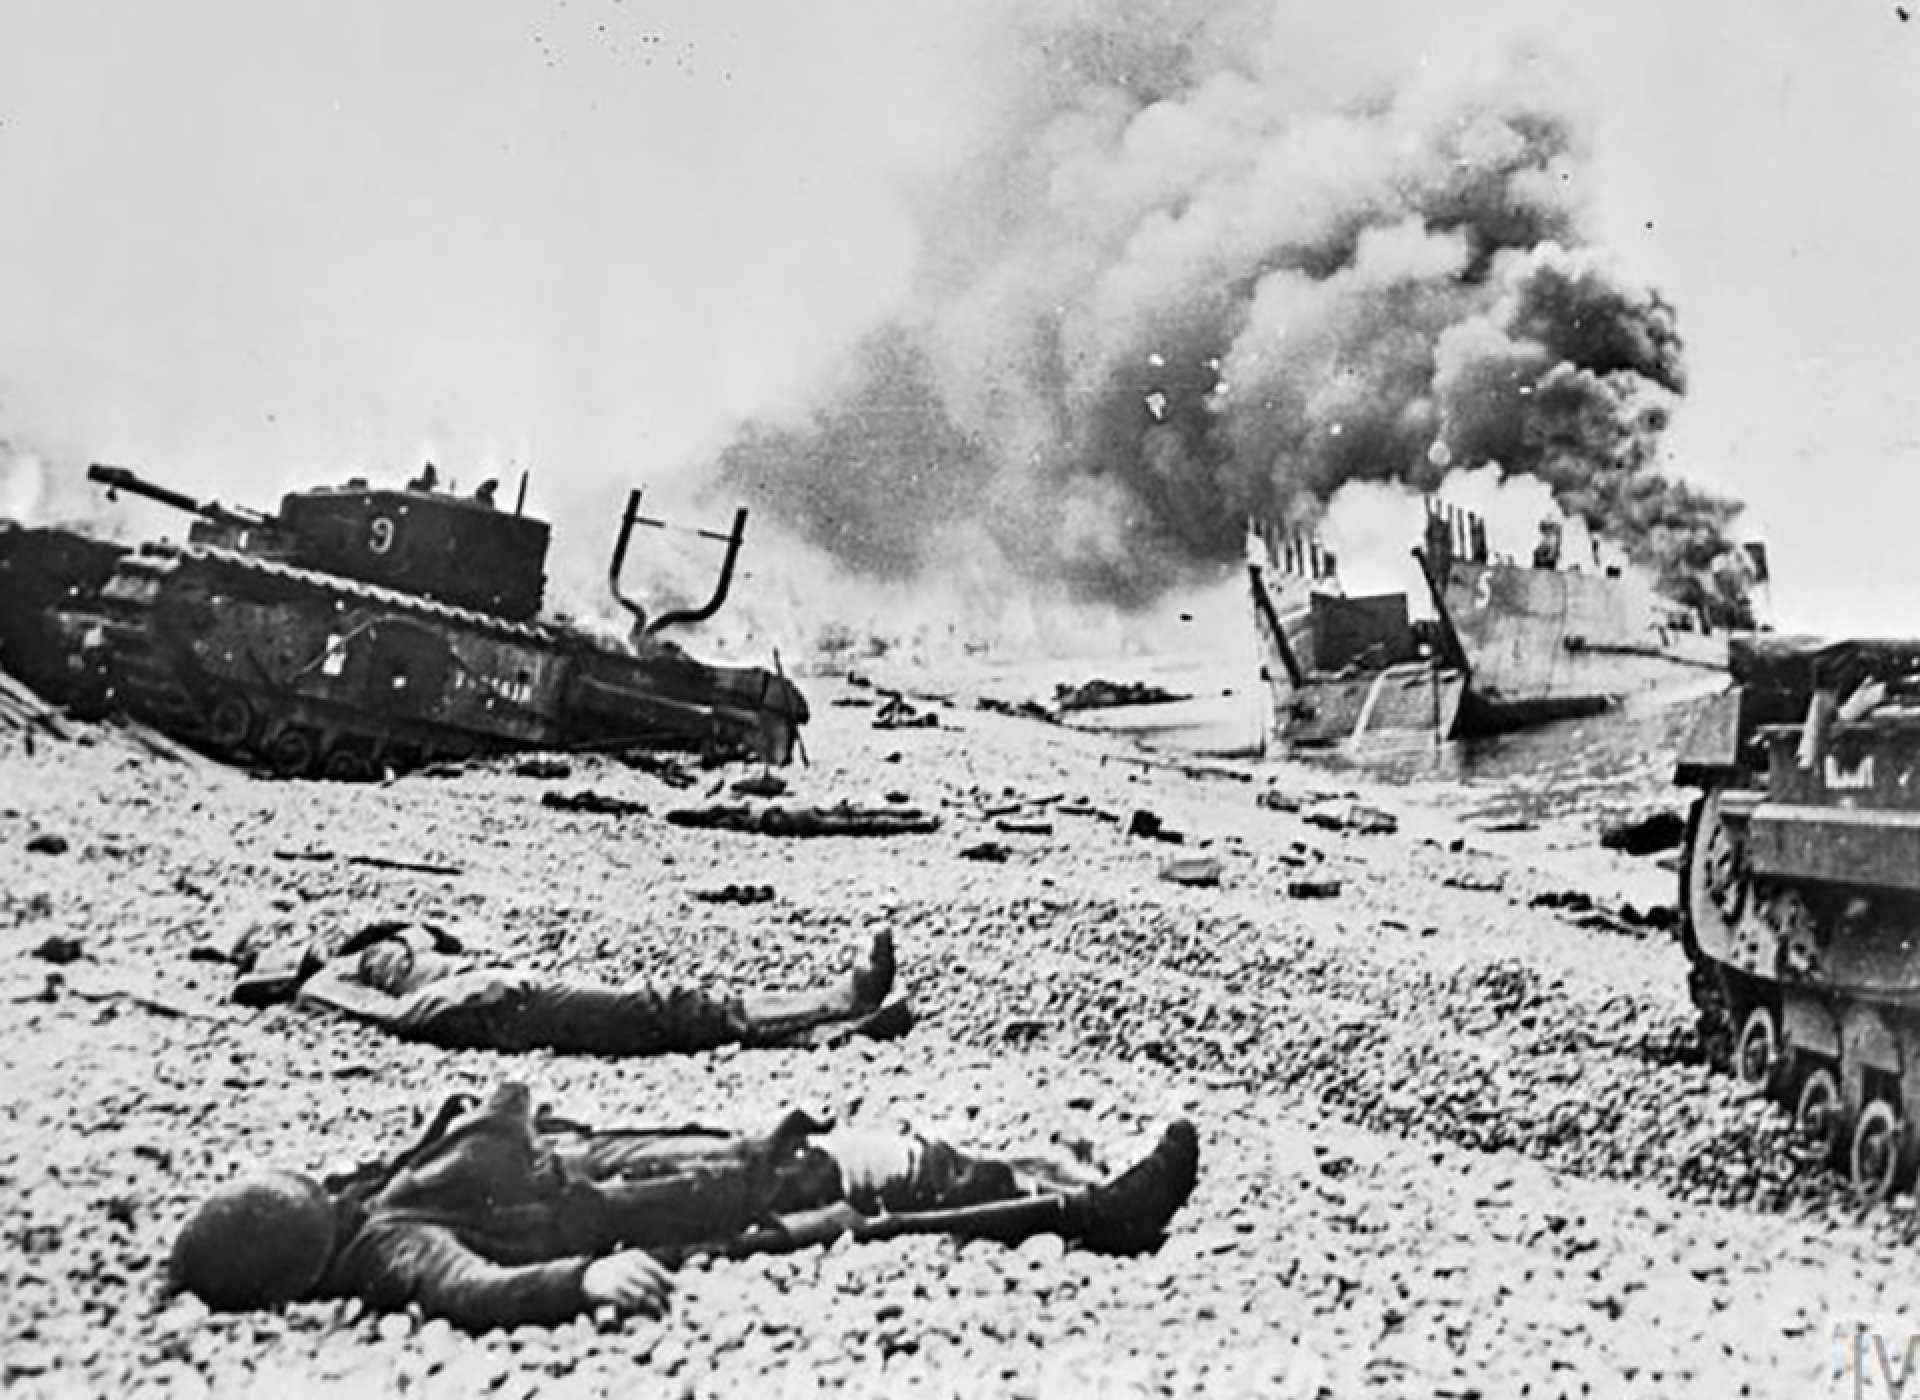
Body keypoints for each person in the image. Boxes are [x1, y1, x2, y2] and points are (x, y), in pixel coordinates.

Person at [168, 1081, 1201, 1328]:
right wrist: (583, 1278)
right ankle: (1088, 1214)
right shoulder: (393, 1245)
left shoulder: (363, 1207)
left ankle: (1041, 1174)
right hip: (645, 1208)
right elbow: (471, 1287)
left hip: (612, 1163)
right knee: (854, 1193)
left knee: (836, 1158)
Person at [234, 922, 909, 1055]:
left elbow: (432, 939)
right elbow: (408, 1011)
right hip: (504, 1004)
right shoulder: (327, 984)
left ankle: (827, 1031)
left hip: (502, 993)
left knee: (661, 1011)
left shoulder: (351, 963)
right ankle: (838, 1001)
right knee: (662, 1007)